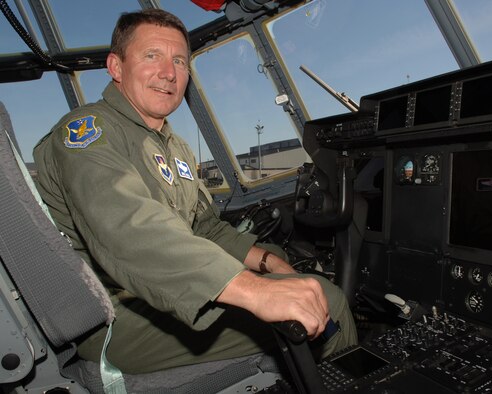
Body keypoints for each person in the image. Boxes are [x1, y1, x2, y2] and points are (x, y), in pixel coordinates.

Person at [33, 8, 357, 374]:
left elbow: (205, 228)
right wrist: (256, 291)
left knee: (288, 266)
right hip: (112, 316)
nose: (169, 73)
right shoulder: (87, 134)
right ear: (116, 67)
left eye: (180, 61)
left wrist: (271, 264)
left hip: (154, 294)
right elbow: (130, 230)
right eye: (151, 56)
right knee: (327, 299)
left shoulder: (175, 147)